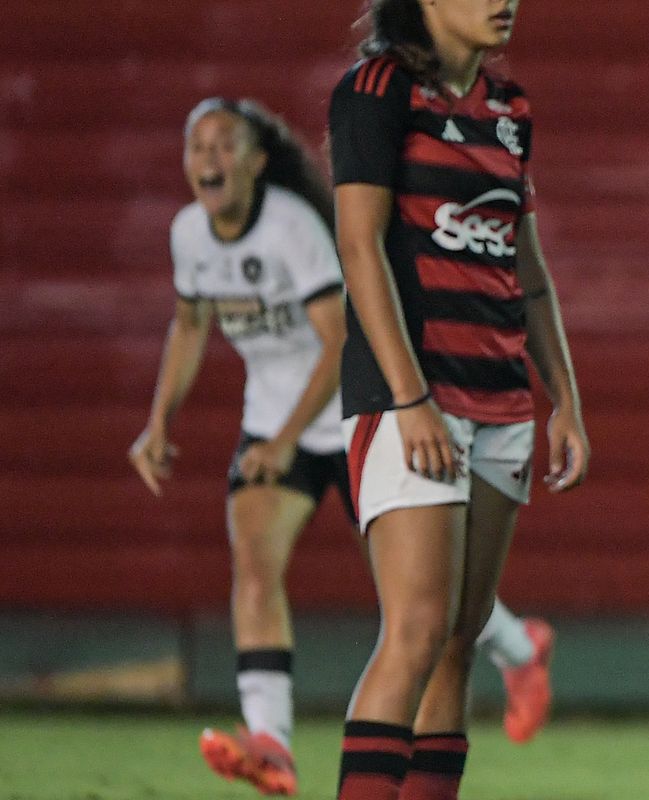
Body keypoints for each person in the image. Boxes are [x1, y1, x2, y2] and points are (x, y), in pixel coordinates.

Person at [129, 96, 559, 797]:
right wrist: (159, 422)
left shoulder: (292, 228)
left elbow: (336, 343)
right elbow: (189, 323)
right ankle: (271, 740)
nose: (209, 159)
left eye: (224, 145)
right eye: (197, 147)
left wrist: (285, 440)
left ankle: (519, 647)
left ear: (256, 161)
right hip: (276, 427)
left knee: (422, 602)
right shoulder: (188, 234)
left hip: (356, 417)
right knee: (255, 564)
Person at [327, 0, 589, 798]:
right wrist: (409, 400)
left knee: (457, 643)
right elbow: (359, 245)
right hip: (414, 400)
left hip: (502, 402)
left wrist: (565, 400)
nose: (503, 2)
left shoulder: (510, 108)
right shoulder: (377, 89)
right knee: (414, 631)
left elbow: (527, 273)